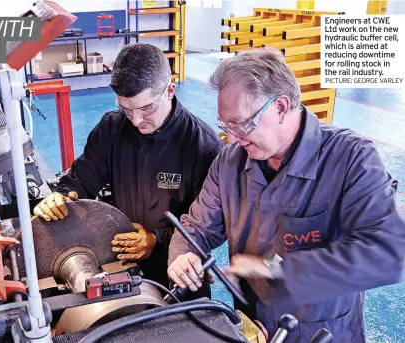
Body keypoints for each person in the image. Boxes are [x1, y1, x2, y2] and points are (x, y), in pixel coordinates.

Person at [167, 48, 405, 342]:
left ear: (280, 106)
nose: (232, 138)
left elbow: (386, 255)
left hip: (323, 331)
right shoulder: (230, 162)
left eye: (242, 124)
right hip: (255, 327)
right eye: (225, 126)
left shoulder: (350, 159)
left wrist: (279, 268)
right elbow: (197, 227)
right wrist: (183, 254)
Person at [33, 43, 224, 294]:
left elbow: (213, 226)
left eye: (146, 108)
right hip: (118, 263)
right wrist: (62, 197)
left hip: (178, 271)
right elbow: (81, 180)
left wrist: (156, 240)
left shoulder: (203, 147)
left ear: (170, 90)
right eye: (126, 109)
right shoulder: (111, 129)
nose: (135, 120)